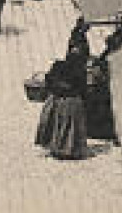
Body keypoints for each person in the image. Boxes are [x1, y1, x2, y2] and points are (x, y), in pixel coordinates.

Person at [36, 22, 91, 159]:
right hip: (70, 99)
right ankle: (68, 148)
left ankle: (58, 146)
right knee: (69, 125)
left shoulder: (60, 66)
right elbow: (81, 85)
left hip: (59, 98)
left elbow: (49, 81)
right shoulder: (77, 68)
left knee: (58, 124)